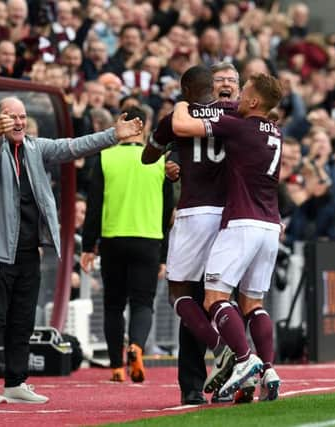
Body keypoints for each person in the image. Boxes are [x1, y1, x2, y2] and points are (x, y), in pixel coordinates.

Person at [0, 96, 142, 404]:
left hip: (27, 249)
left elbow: (73, 147)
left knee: (23, 318)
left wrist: (113, 135)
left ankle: (16, 381)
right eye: (12, 117)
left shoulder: (35, 147)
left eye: (22, 116)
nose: (19, 122)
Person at [172, 72, 284, 401]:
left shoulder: (239, 125)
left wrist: (182, 103)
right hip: (269, 225)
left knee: (214, 298)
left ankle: (243, 358)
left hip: (242, 222)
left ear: (252, 101)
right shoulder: (274, 129)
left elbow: (182, 126)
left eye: (243, 90)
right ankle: (269, 367)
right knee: (253, 304)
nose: (237, 97)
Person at [142, 64, 238, 405]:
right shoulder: (236, 116)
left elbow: (146, 155)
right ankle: (240, 378)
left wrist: (170, 148)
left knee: (184, 298)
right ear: (214, 86)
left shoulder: (178, 117)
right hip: (232, 216)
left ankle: (198, 380)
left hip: (194, 212)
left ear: (185, 91)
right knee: (225, 301)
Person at [80, 106, 174, 385]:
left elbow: (94, 205)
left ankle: (116, 367)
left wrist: (88, 245)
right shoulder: (160, 161)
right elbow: (167, 212)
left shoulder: (106, 158)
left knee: (113, 305)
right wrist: (164, 254)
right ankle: (136, 347)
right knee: (143, 303)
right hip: (148, 239)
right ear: (144, 128)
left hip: (113, 239)